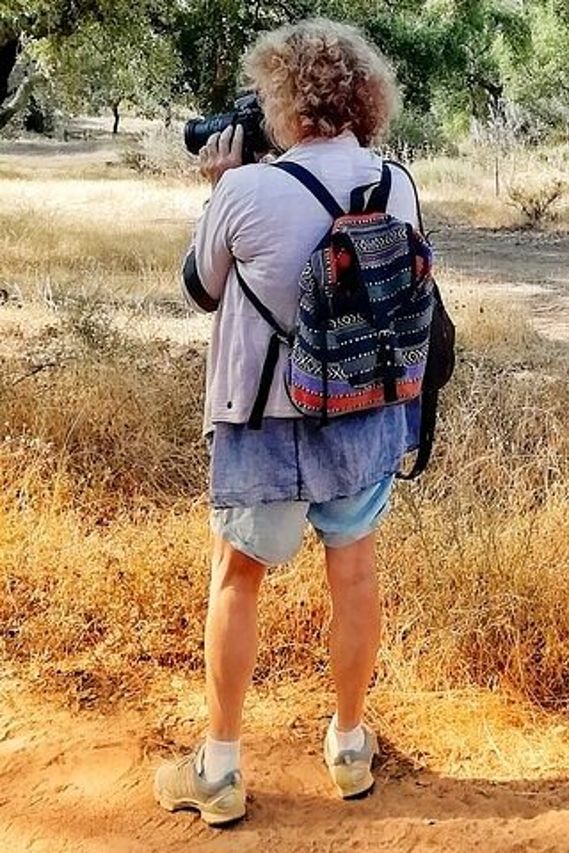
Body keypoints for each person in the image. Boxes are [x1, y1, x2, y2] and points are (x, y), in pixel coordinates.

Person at [154, 19, 426, 826]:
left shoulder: (246, 190)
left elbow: (199, 288)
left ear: (282, 100)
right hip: (363, 413)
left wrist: (220, 189)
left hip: (266, 417)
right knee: (356, 573)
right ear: (362, 98)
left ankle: (222, 766)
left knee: (238, 577)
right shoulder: (397, 184)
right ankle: (348, 746)